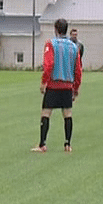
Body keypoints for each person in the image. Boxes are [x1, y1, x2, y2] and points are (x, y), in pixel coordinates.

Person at [31, 18, 82, 153]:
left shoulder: (51, 44)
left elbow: (49, 65)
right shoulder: (74, 47)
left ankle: (42, 144)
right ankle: (67, 144)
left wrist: (43, 82)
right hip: (67, 86)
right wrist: (76, 88)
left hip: (53, 85)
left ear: (55, 29)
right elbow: (78, 70)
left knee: (46, 113)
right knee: (67, 114)